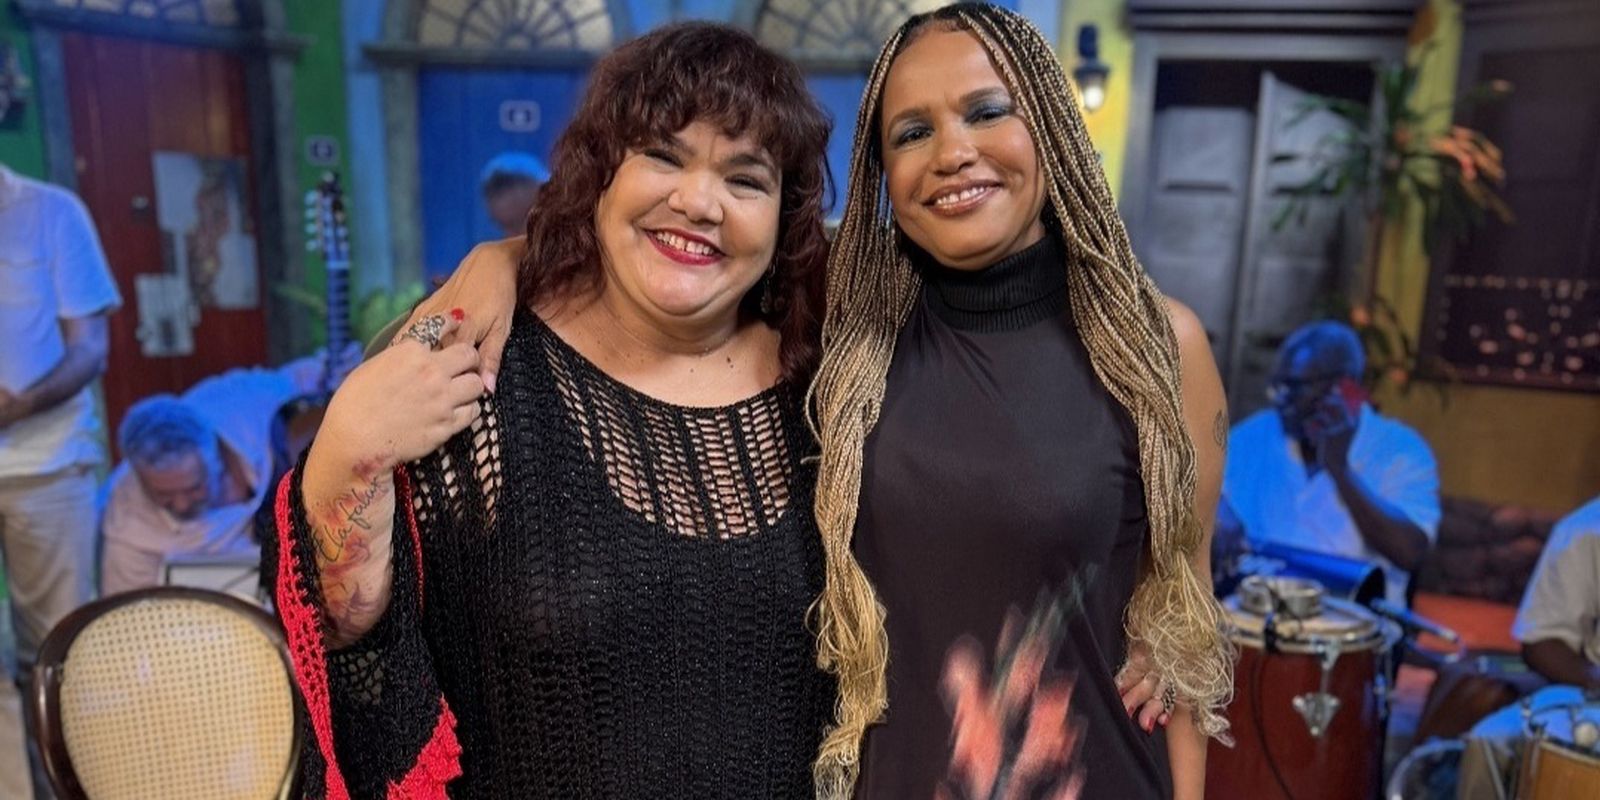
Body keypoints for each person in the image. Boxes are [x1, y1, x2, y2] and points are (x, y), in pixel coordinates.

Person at [412, 5, 1229, 798]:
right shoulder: (849, 321)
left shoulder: (1157, 346)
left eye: (987, 112)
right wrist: (502, 261)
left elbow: (1183, 637)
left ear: (1050, 126)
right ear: (884, 174)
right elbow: (688, 243)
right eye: (912, 132)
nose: (953, 152)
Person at [271, 24, 837, 798]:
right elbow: (350, 633)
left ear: (784, 217)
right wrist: (346, 447)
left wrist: (506, 252)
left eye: (746, 180)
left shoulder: (830, 387)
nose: (698, 201)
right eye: (663, 156)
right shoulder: (480, 370)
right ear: (600, 175)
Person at [0, 162, 120, 800]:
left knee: (58, 655)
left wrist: (19, 405)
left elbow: (90, 348)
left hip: (46, 464)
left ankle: (70, 792)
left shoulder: (51, 211)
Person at [100, 348, 357, 596]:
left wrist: (342, 370)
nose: (181, 504)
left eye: (194, 487)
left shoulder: (241, 404)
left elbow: (304, 378)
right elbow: (127, 611)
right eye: (163, 495)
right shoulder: (126, 523)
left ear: (217, 457)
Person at [1219, 320, 1441, 605]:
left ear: (1343, 387)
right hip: (1252, 616)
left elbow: (1409, 553)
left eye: (1295, 387)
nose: (1280, 399)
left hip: (1356, 622)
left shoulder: (1400, 449)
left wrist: (1339, 468)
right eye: (1277, 386)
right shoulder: (1249, 437)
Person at [1455, 493, 1600, 800]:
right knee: (1488, 742)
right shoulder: (1587, 527)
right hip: (1593, 695)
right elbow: (1542, 642)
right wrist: (1594, 680)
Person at [480, 151, 549, 238]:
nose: (504, 198)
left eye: (510, 186)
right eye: (495, 192)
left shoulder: (560, 237)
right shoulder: (490, 247)